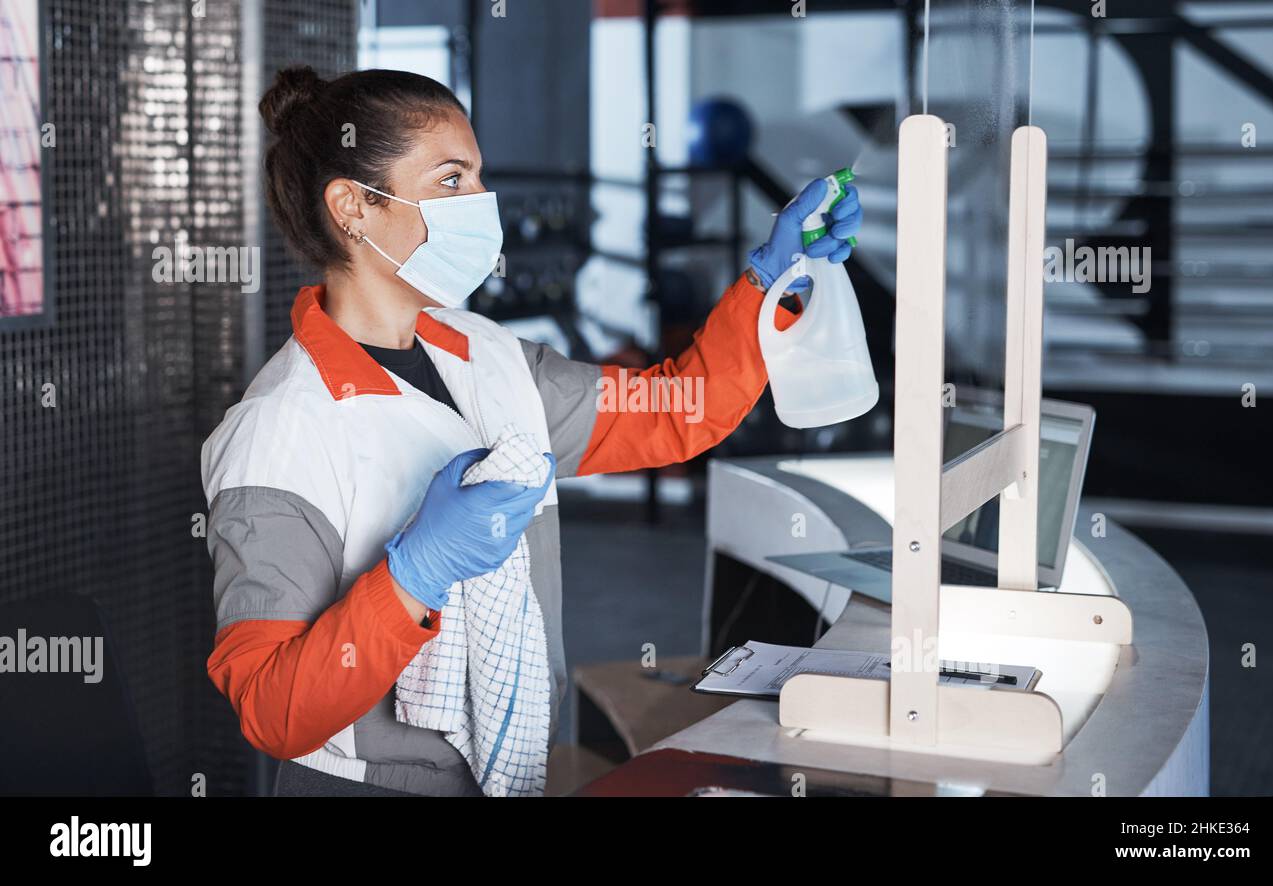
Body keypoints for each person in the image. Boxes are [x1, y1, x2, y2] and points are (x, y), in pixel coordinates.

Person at [202, 66, 862, 796]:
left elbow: (679, 411)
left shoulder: (487, 354)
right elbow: (272, 710)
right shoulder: (279, 431)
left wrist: (771, 283)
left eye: (479, 178)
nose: (482, 204)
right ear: (353, 206)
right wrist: (410, 576)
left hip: (512, 771)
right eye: (451, 181)